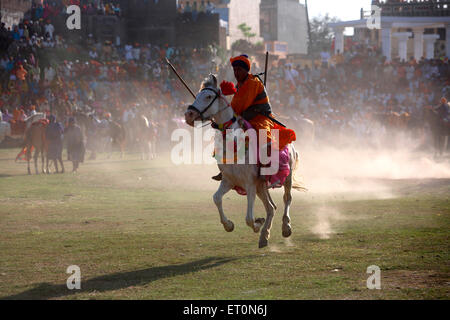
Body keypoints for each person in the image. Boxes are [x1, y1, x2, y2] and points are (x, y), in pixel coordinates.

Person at [212, 54, 296, 181]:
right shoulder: (240, 85)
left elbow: (239, 106)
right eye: (235, 70)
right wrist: (220, 123)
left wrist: (229, 118)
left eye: (239, 70)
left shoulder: (252, 83)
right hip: (244, 118)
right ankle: (226, 169)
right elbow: (235, 108)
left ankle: (264, 169)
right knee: (226, 135)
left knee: (262, 137)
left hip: (260, 118)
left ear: (247, 70)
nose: (236, 72)